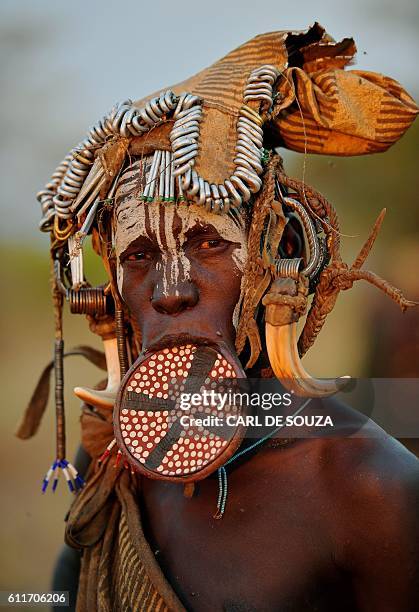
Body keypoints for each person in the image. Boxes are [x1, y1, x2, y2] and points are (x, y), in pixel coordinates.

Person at [19, 23, 419, 611]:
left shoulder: (369, 487)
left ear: (276, 260)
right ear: (111, 294)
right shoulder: (116, 449)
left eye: (207, 243)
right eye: (139, 256)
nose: (172, 292)